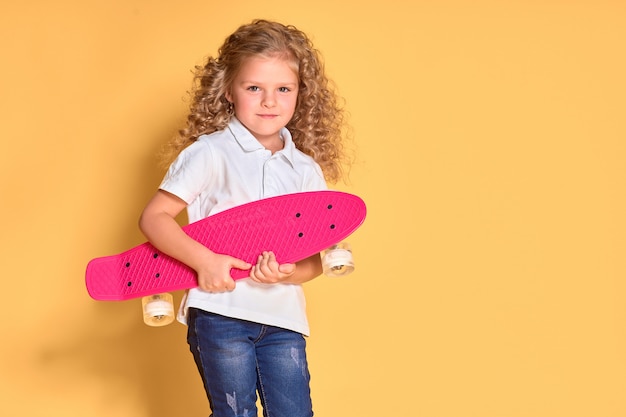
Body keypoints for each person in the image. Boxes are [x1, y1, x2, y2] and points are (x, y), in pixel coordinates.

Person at [138, 19, 350, 417]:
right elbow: (155, 218)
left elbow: (315, 261)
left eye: (283, 89)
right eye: (255, 88)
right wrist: (204, 261)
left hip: (285, 318)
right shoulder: (210, 153)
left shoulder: (304, 169)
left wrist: (290, 274)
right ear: (229, 91)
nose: (269, 101)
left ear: (300, 95)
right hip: (222, 313)